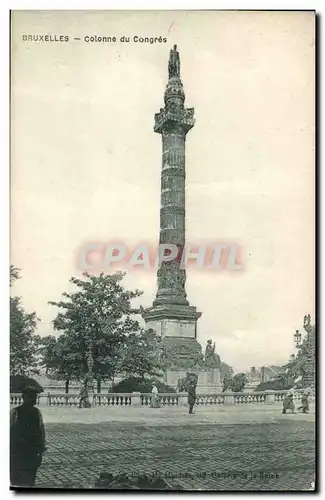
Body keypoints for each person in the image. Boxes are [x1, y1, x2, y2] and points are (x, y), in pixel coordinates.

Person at [10, 386, 46, 487]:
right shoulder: (16, 412)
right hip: (19, 452)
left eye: (34, 397)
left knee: (30, 479)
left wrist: (41, 447)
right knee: (17, 480)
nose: (33, 399)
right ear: (23, 397)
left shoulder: (37, 412)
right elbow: (10, 432)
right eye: (30, 396)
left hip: (32, 452)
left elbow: (41, 430)